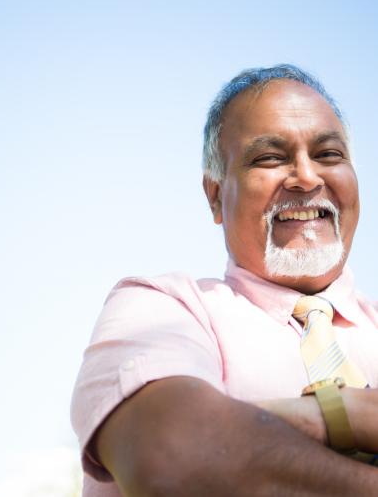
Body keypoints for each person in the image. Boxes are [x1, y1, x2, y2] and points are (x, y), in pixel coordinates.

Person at [70, 64, 378, 496]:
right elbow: (171, 455)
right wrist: (346, 414)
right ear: (216, 196)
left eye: (329, 155)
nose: (307, 177)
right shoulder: (160, 307)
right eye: (270, 158)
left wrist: (252, 425)